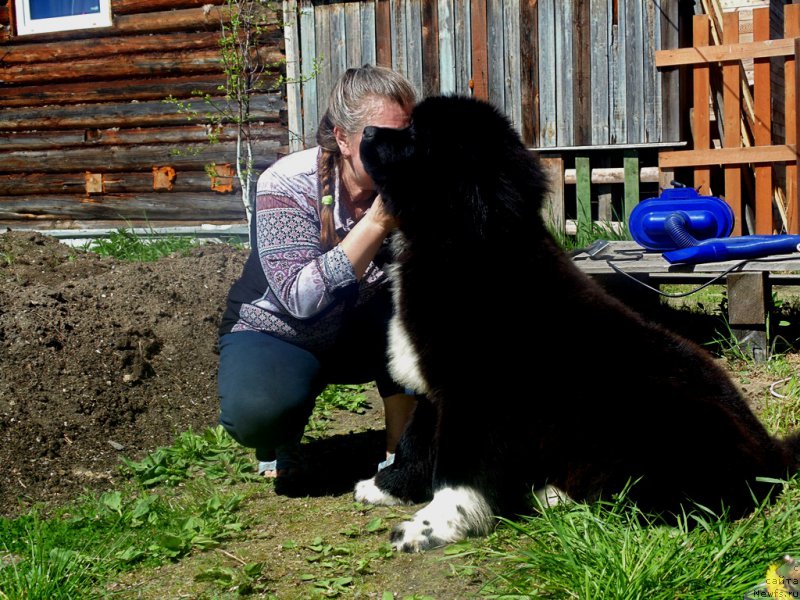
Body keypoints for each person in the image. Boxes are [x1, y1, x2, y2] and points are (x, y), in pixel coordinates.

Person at [217, 64, 418, 486]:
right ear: (343, 138)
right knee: (259, 412)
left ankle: (400, 450)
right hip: (282, 329)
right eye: (380, 137)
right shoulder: (287, 183)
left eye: (407, 137)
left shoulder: (414, 183)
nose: (399, 152)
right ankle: (281, 434)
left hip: (362, 327)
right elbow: (299, 299)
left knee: (428, 322)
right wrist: (377, 223)